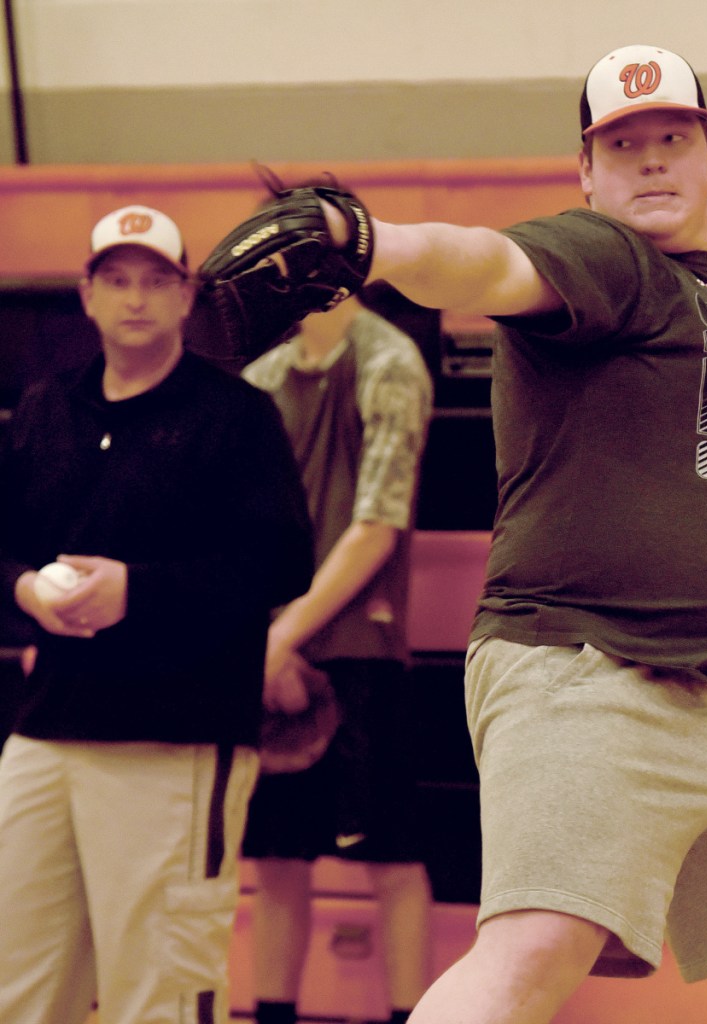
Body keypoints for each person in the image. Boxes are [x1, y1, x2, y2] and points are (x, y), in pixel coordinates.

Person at [311, 40, 707, 1024]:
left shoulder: (698, 295)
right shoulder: (600, 263)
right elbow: (485, 260)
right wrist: (376, 245)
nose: (654, 160)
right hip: (589, 665)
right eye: (625, 146)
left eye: (674, 138)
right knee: (539, 945)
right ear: (587, 176)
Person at [0, 205, 314, 1024]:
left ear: (186, 297)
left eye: (155, 281)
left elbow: (280, 564)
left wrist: (136, 591)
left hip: (175, 737)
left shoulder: (235, 417)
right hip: (44, 732)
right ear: (87, 295)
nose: (134, 298)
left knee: (159, 994)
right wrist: (26, 591)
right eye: (116, 280)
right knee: (19, 985)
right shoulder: (46, 407)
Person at [239, 281, 435, 1024]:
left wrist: (279, 637)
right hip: (267, 654)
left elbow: (376, 526)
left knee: (390, 858)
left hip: (360, 651)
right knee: (277, 862)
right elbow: (242, 533)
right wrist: (263, 641)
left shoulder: (388, 360)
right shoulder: (261, 381)